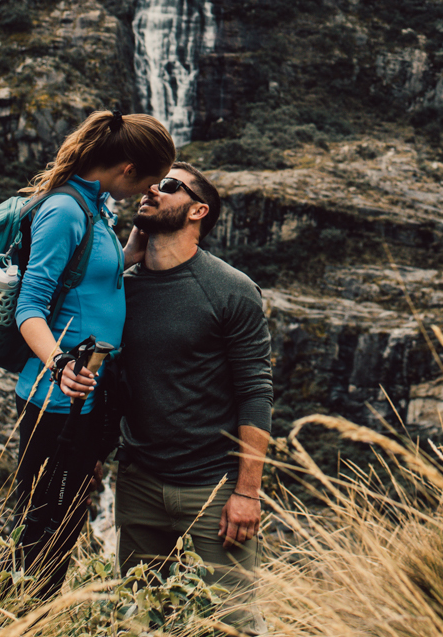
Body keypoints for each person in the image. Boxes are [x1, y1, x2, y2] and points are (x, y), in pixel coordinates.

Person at [10, 109, 175, 594]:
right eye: (151, 181)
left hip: (85, 397)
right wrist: (59, 364)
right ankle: (18, 615)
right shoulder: (64, 210)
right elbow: (29, 307)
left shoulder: (94, 203)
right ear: (127, 169)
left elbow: (95, 276)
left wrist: (137, 240)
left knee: (64, 523)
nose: (151, 191)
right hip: (55, 400)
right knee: (44, 524)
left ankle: (31, 613)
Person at [114, 161, 273, 631]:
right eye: (149, 183)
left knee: (231, 621)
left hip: (212, 489)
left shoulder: (232, 290)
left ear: (197, 210)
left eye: (167, 186)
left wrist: (247, 492)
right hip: (139, 482)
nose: (151, 190)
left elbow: (255, 392)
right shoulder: (120, 287)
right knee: (140, 620)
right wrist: (125, 259)